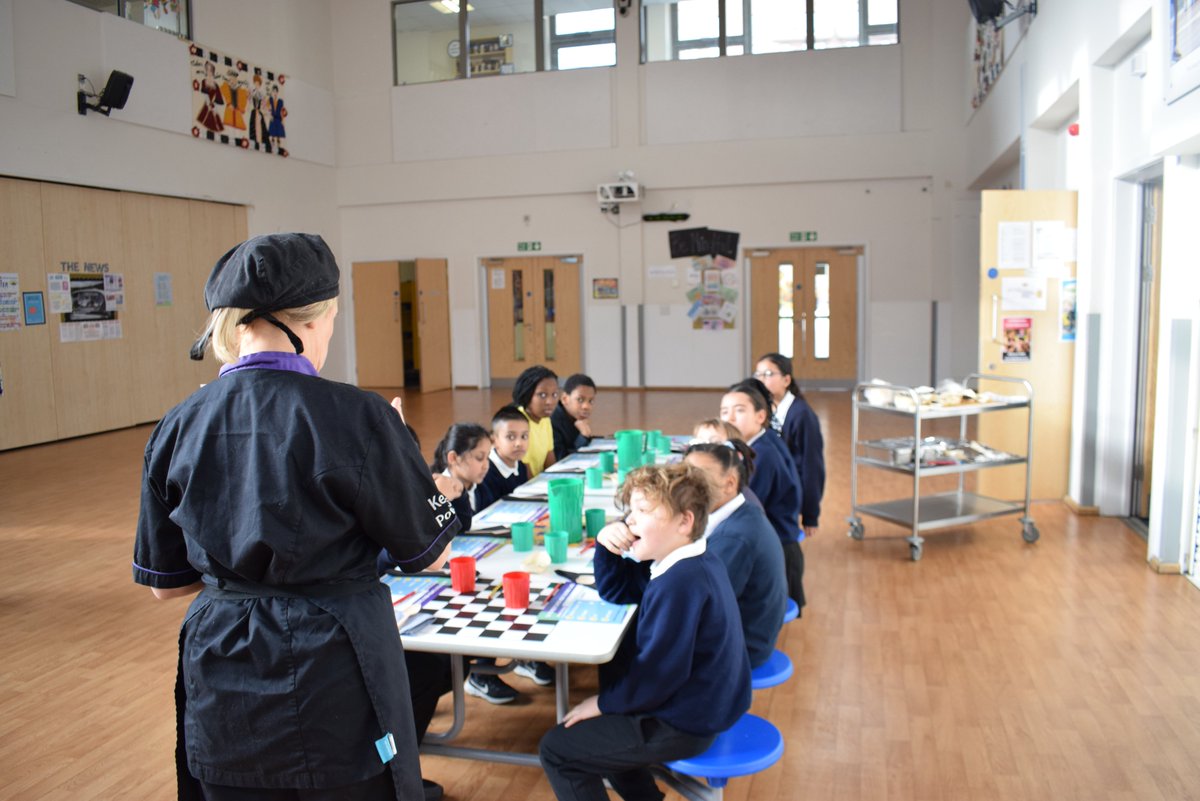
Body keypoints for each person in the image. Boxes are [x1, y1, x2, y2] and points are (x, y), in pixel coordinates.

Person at [133, 233, 459, 801]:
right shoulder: (360, 416)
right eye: (333, 318)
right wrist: (405, 462)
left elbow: (167, 587)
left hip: (220, 668)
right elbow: (426, 551)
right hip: (333, 664)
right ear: (313, 320)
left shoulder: (176, 424)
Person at [539, 463, 751, 801]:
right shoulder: (683, 560)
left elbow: (659, 676)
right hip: (701, 703)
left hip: (688, 720)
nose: (630, 521)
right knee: (603, 725)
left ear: (685, 522)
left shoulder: (681, 583)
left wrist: (605, 704)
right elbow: (617, 589)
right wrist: (607, 548)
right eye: (630, 510)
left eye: (643, 511)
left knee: (558, 750)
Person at [684, 441, 787, 669]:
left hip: (742, 648)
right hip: (744, 635)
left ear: (729, 484)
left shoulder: (734, 538)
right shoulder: (741, 510)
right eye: (684, 474)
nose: (684, 484)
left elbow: (702, 605)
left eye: (697, 476)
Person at [720, 378, 806, 612]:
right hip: (779, 539)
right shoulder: (761, 442)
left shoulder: (762, 455)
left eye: (739, 411)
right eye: (724, 411)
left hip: (777, 547)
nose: (729, 418)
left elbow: (741, 507)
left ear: (761, 416)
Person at [754, 352, 826, 539]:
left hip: (790, 491)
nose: (762, 380)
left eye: (768, 374)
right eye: (758, 374)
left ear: (786, 380)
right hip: (777, 486)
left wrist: (811, 515)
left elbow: (813, 467)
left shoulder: (801, 415)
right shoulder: (766, 409)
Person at [429, 423, 492, 533]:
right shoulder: (438, 493)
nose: (486, 465)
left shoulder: (481, 488)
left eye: (488, 457)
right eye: (479, 458)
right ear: (453, 458)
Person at [475, 405, 530, 511]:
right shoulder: (486, 473)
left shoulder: (520, 465)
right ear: (494, 441)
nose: (519, 443)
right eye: (511, 437)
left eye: (524, 436)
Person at [513, 365, 560, 476]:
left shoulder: (545, 419)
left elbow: (550, 462)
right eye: (542, 395)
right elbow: (525, 475)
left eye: (554, 395)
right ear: (527, 394)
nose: (550, 401)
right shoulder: (518, 423)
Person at [551, 373, 596, 460]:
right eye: (580, 400)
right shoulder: (552, 421)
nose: (586, 406)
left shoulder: (575, 417)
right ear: (564, 399)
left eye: (591, 401)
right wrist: (583, 436)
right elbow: (562, 459)